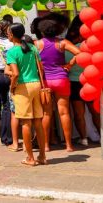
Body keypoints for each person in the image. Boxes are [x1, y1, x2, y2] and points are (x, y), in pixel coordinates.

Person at [35, 18, 81, 152]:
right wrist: (69, 65)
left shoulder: (37, 44)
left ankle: (46, 146)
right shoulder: (62, 43)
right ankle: (69, 145)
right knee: (64, 112)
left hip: (45, 81)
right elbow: (79, 53)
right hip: (61, 79)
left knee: (46, 113)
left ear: (42, 31)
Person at [6, 24, 47, 167]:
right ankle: (42, 156)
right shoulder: (33, 48)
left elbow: (15, 74)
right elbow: (41, 68)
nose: (7, 35)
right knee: (38, 122)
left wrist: (12, 87)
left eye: (8, 33)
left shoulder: (12, 52)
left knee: (26, 123)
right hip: (36, 84)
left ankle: (30, 158)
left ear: (12, 35)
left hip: (22, 88)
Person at [64, 16, 95, 146]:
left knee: (78, 113)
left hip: (73, 83)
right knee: (94, 111)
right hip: (89, 81)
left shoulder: (66, 50)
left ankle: (83, 138)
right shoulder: (88, 48)